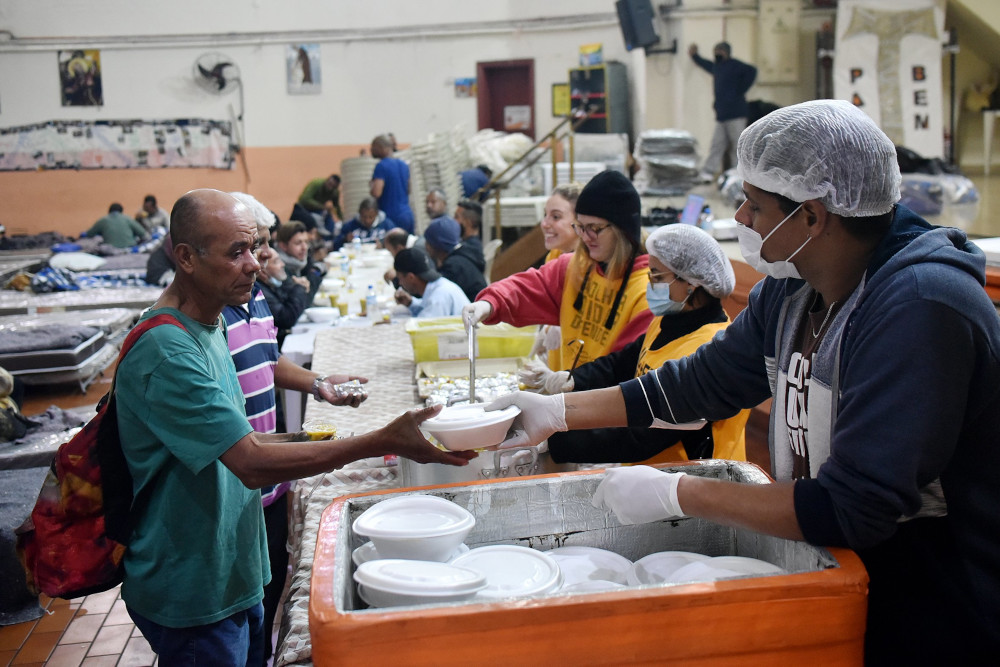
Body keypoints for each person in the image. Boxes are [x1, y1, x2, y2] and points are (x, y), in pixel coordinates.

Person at [485, 100, 1000, 663]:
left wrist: (679, 492)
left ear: (812, 215)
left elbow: (856, 506)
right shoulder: (792, 287)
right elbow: (702, 383)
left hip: (935, 602)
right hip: (841, 575)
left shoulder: (919, 307)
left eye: (755, 204)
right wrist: (557, 412)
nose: (742, 220)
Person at [114, 189, 474, 665]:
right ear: (186, 258)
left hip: (233, 569)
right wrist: (381, 441)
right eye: (237, 252)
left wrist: (323, 437)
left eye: (256, 248)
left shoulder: (210, 323)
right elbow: (249, 461)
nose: (256, 264)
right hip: (195, 588)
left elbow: (240, 437)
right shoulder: (168, 350)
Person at [222, 191, 367, 664]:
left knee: (265, 595)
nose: (263, 256)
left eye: (264, 243)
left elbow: (267, 357)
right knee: (232, 608)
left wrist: (318, 383)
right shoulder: (208, 316)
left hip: (268, 483)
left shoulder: (253, 295)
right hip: (236, 480)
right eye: (247, 246)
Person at [522, 223, 748, 465]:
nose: (650, 283)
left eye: (658, 276)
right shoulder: (667, 320)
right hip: (654, 477)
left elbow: (642, 438)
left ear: (692, 283)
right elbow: (621, 364)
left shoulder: (710, 349)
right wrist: (572, 379)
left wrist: (553, 440)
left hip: (699, 482)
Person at [464, 171, 653, 372]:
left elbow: (623, 365)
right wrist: (489, 303)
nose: (586, 237)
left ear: (622, 230)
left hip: (603, 400)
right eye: (581, 227)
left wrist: (572, 383)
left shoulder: (647, 291)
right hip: (572, 397)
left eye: (595, 228)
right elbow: (529, 287)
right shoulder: (574, 267)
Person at [688, 41, 757, 182]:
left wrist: (740, 90)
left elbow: (752, 71)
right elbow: (705, 64)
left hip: (736, 113)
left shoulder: (735, 66)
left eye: (720, 51)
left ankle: (738, 174)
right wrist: (695, 56)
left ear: (726, 52)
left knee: (737, 144)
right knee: (717, 144)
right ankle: (708, 172)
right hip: (722, 115)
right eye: (715, 51)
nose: (717, 54)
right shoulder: (717, 67)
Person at [424, 216, 486, 303]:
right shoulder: (464, 253)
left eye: (428, 242)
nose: (426, 247)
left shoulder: (453, 267)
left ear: (438, 245)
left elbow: (438, 296)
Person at [394, 247, 469, 318]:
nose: (400, 283)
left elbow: (422, 327)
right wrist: (410, 303)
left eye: (399, 278)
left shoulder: (439, 297)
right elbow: (427, 306)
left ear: (411, 277)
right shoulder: (439, 285)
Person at [257, 253, 311, 348]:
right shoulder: (259, 291)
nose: (283, 264)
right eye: (276, 261)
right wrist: (300, 288)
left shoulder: (275, 284)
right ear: (262, 270)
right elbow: (287, 317)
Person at [370, 134, 415, 234]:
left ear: (382, 147)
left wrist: (371, 186)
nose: (371, 150)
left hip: (391, 216)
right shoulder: (403, 165)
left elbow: (377, 192)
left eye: (373, 147)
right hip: (407, 213)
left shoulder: (381, 166)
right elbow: (409, 189)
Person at [274, 220, 324, 295]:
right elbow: (305, 297)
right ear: (283, 246)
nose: (304, 247)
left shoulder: (302, 260)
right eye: (298, 243)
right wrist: (314, 274)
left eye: (306, 242)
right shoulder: (278, 268)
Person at [291, 174, 343, 239]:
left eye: (333, 187)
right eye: (330, 184)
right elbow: (304, 199)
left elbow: (337, 206)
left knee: (329, 220)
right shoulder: (316, 184)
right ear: (326, 181)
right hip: (304, 209)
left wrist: (342, 220)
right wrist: (322, 207)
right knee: (315, 219)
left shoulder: (335, 192)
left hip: (318, 210)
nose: (330, 188)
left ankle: (329, 238)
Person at [82, 203, 149, 249]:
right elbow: (142, 233)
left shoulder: (103, 220)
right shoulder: (127, 218)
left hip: (110, 249)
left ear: (109, 211)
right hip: (130, 248)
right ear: (121, 212)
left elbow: (89, 234)